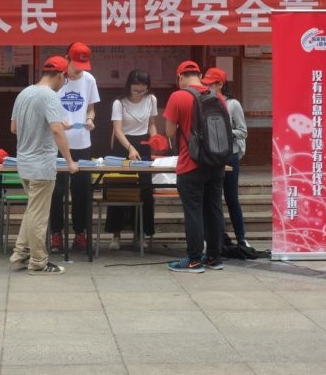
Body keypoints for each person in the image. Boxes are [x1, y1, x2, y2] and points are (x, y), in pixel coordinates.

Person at [9, 55, 80, 275]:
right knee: (39, 216)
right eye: (65, 79)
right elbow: (56, 131)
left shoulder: (24, 93)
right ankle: (38, 262)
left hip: (24, 163)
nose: (63, 84)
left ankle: (19, 255)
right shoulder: (50, 96)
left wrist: (45, 128)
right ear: (60, 75)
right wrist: (70, 161)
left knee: (32, 211)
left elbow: (14, 128)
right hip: (41, 166)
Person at [163, 60, 226, 273]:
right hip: (216, 163)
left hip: (190, 163)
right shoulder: (217, 96)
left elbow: (170, 132)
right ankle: (214, 258)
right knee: (214, 209)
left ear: (180, 77)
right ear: (199, 76)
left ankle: (194, 260)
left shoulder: (178, 97)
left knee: (194, 212)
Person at [49, 41, 100, 253]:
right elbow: (48, 108)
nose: (79, 70)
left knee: (82, 191)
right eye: (76, 65)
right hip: (57, 143)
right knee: (56, 191)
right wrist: (59, 122)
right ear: (67, 59)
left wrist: (90, 119)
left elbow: (91, 108)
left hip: (82, 143)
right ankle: (56, 234)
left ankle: (80, 234)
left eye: (83, 66)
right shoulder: (57, 79)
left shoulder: (89, 80)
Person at [105, 69, 158, 250]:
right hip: (123, 145)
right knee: (119, 189)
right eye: (136, 90)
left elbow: (151, 125)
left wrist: (155, 139)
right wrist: (129, 148)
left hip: (143, 144)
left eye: (143, 90)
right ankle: (116, 234)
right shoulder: (119, 103)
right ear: (129, 86)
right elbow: (118, 130)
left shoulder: (151, 99)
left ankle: (140, 233)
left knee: (145, 190)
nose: (139, 94)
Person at [201, 67, 252, 250]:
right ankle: (212, 238)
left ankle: (241, 237)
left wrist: (224, 132)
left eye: (210, 84)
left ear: (220, 84)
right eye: (205, 84)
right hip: (209, 156)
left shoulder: (233, 104)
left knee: (231, 197)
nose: (207, 87)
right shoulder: (203, 101)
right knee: (209, 199)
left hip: (230, 155)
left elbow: (243, 132)